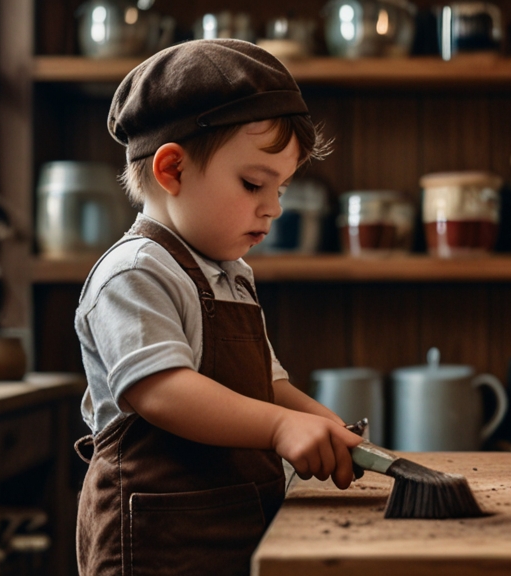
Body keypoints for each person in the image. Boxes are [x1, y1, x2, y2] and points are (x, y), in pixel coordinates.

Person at [73, 39, 365, 576]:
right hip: (157, 543)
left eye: (281, 187)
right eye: (255, 183)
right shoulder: (136, 272)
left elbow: (265, 386)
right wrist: (280, 429)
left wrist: (323, 423)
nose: (274, 208)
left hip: (237, 529)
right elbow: (161, 390)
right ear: (172, 171)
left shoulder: (231, 274)